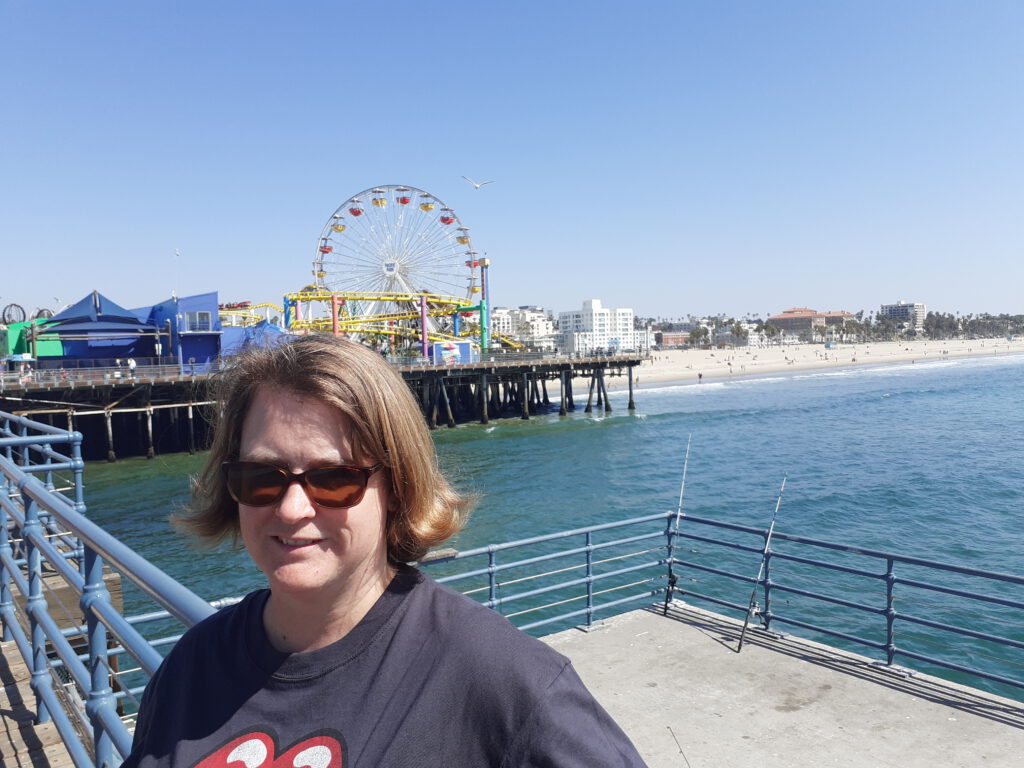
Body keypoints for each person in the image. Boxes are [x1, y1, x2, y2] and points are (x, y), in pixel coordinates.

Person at [124, 335, 646, 768]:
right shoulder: (195, 663)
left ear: (396, 487)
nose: (290, 509)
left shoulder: (505, 684)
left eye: (334, 478)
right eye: (262, 476)